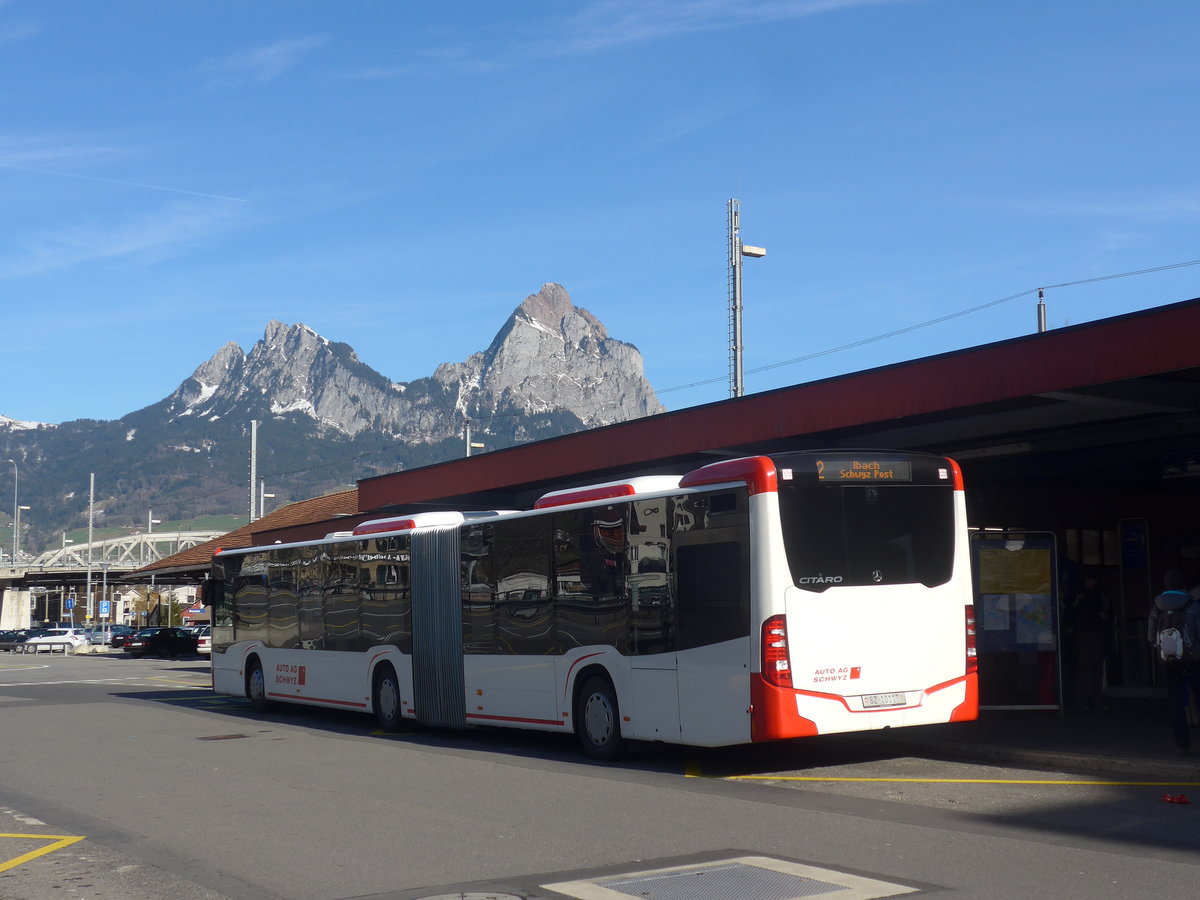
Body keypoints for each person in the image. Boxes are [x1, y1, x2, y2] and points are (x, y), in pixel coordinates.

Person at [1147, 571, 1200, 753]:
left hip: (1168, 658)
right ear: (1183, 585)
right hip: (1193, 657)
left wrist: (1161, 648)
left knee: (1176, 702)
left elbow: (1151, 635)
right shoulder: (1193, 604)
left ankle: (1182, 745)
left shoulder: (1158, 605)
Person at [1066, 573, 1109, 710]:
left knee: (1095, 668)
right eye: (1088, 579)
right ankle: (1082, 699)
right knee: (1084, 667)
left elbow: (1108, 611)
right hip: (1084, 632)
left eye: (1092, 579)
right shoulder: (1080, 594)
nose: (1090, 582)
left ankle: (1094, 698)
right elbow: (1070, 610)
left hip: (1094, 632)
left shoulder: (1099, 594)